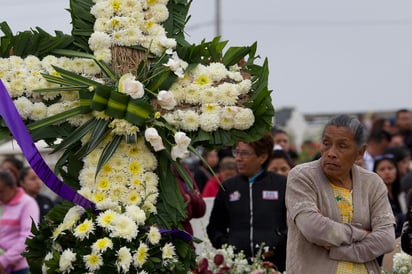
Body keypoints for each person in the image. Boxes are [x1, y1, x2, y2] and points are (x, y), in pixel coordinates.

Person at [285, 114, 396, 274]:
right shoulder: (302, 177)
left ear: (360, 153)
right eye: (326, 143)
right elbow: (313, 228)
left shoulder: (372, 183)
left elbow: (386, 240)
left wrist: (340, 251)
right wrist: (362, 233)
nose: (331, 153)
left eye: (342, 146)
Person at [207, 132, 287, 272]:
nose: (238, 158)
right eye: (236, 152)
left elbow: (293, 226)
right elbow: (214, 228)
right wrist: (228, 248)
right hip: (237, 267)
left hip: (276, 265)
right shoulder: (227, 187)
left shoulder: (281, 184)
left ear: (262, 157)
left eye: (244, 153)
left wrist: (277, 246)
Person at [0, 170, 40, 274]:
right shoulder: (2, 203)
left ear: (13, 187)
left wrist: (4, 261)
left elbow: (28, 237)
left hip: (19, 268)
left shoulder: (27, 203)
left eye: (1, 191)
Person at [373, 154, 405, 238]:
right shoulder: (374, 196)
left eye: (390, 168)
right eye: (382, 169)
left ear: (396, 171)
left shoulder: (401, 194)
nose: (387, 172)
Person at [173, 164, 206, 237]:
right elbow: (182, 211)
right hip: (167, 234)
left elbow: (201, 210)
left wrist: (190, 198)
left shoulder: (182, 168)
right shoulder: (159, 169)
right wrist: (192, 197)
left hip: (185, 234)